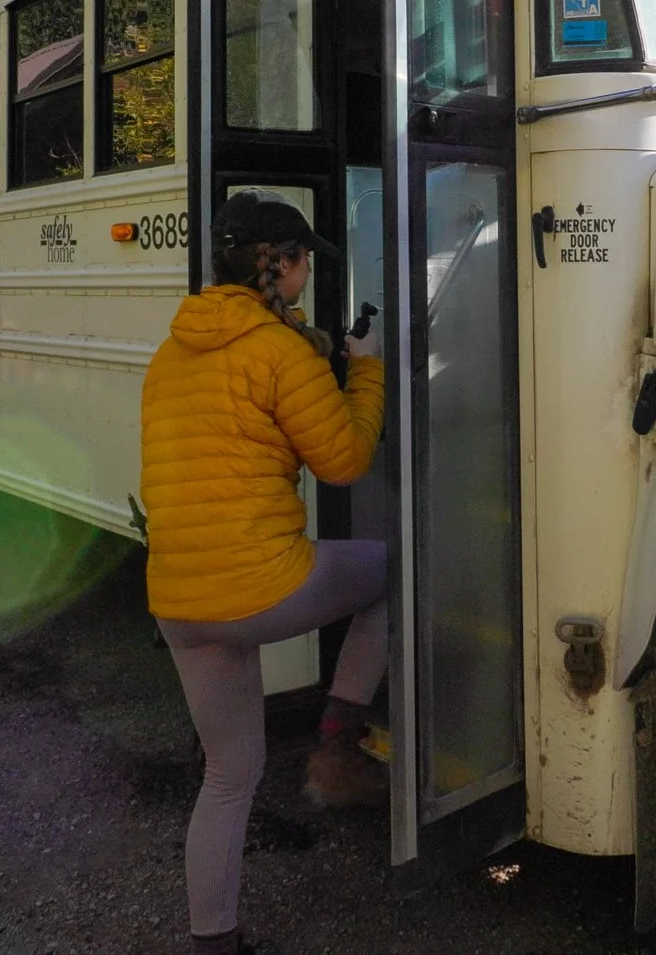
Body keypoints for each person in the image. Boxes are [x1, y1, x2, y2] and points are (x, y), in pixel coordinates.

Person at [141, 192, 385, 955]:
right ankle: (337, 749)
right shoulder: (278, 352)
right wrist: (366, 373)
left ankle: (214, 941)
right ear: (276, 265)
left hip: (179, 604)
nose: (308, 271)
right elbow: (343, 460)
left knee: (230, 772)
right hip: (262, 586)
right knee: (393, 575)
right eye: (304, 258)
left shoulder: (170, 352)